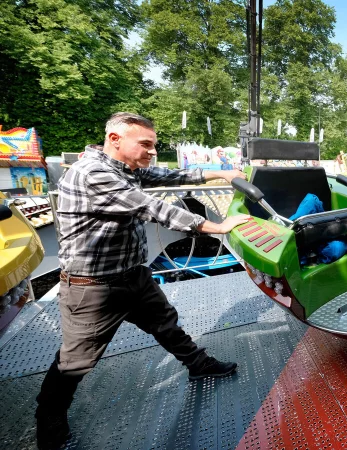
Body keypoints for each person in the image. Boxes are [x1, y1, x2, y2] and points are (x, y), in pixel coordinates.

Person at [35, 113, 251, 449]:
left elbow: (171, 174)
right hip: (93, 287)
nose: (152, 151)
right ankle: (48, 422)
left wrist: (221, 172)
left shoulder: (126, 169)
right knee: (75, 362)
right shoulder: (93, 172)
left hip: (132, 275)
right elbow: (152, 207)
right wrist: (217, 226)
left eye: (154, 144)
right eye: (145, 144)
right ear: (115, 139)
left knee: (166, 324)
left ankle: (197, 364)